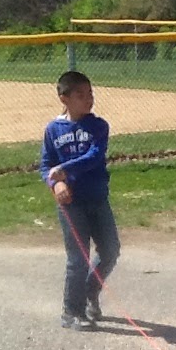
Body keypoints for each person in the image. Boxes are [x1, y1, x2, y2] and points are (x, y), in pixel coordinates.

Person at [40, 71, 120, 331]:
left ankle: (89, 291)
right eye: (81, 95)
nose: (88, 99)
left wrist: (64, 169)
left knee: (110, 250)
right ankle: (71, 311)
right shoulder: (53, 130)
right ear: (64, 98)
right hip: (71, 204)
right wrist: (56, 182)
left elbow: (94, 156)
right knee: (78, 258)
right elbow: (46, 166)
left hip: (97, 199)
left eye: (91, 94)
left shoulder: (98, 126)